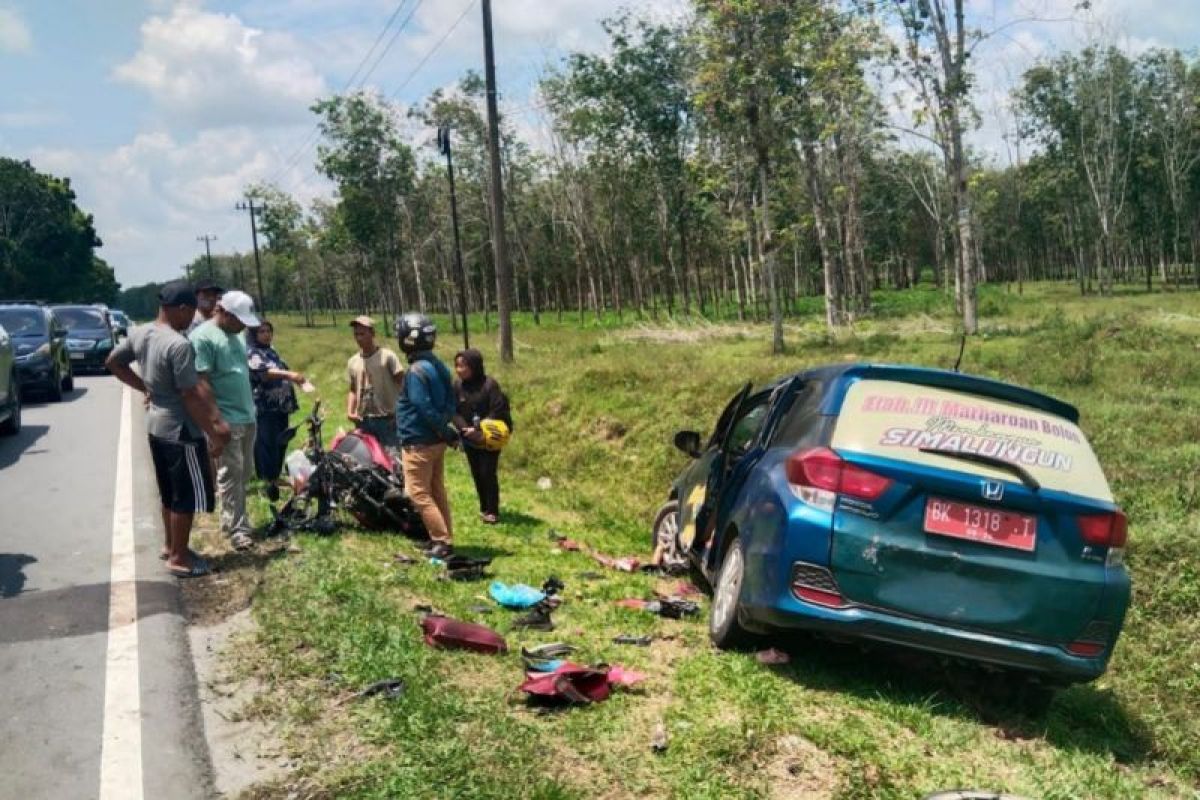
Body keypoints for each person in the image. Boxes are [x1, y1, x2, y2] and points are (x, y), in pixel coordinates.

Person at [106, 281, 231, 578]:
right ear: (182, 309)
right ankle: (179, 557)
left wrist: (145, 387)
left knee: (169, 494)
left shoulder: (140, 333)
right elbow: (190, 394)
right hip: (179, 429)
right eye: (191, 313)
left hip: (156, 427)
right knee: (185, 496)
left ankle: (170, 545)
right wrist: (214, 432)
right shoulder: (178, 344)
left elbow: (113, 362)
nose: (192, 320)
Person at [190, 290, 260, 551]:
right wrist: (216, 421)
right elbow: (201, 382)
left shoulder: (237, 334)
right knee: (231, 473)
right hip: (227, 418)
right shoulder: (203, 338)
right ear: (224, 312)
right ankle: (236, 527)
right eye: (239, 319)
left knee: (244, 472)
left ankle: (238, 519)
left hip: (247, 414)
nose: (243, 325)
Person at [395, 312, 458, 558]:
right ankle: (442, 538)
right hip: (435, 442)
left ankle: (441, 541)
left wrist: (445, 431)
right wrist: (446, 432)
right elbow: (450, 402)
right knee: (435, 490)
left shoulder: (415, 372)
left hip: (419, 443)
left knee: (417, 493)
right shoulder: (438, 365)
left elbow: (424, 407)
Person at [246, 320, 306, 502]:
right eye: (261, 332)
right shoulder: (252, 352)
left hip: (281, 406)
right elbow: (263, 372)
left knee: (282, 439)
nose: (266, 335)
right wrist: (289, 375)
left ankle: (276, 474)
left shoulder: (272, 351)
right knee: (266, 442)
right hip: (265, 406)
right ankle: (267, 479)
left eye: (268, 331)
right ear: (254, 335)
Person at [453, 348, 511, 524]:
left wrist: (480, 429)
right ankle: (484, 508)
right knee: (477, 472)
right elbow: (454, 411)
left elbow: (497, 410)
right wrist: (465, 430)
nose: (459, 370)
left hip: (489, 437)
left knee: (488, 472)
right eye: (457, 366)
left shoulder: (489, 385)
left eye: (463, 366)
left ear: (475, 366)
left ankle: (493, 510)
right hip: (469, 437)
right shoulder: (457, 386)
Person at [345, 315, 404, 448]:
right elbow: (353, 389)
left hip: (388, 420)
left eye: (362, 334)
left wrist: (400, 412)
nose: (359, 338)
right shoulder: (353, 362)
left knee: (392, 460)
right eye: (356, 334)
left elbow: (403, 385)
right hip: (364, 420)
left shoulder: (387, 357)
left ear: (372, 333)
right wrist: (350, 411)